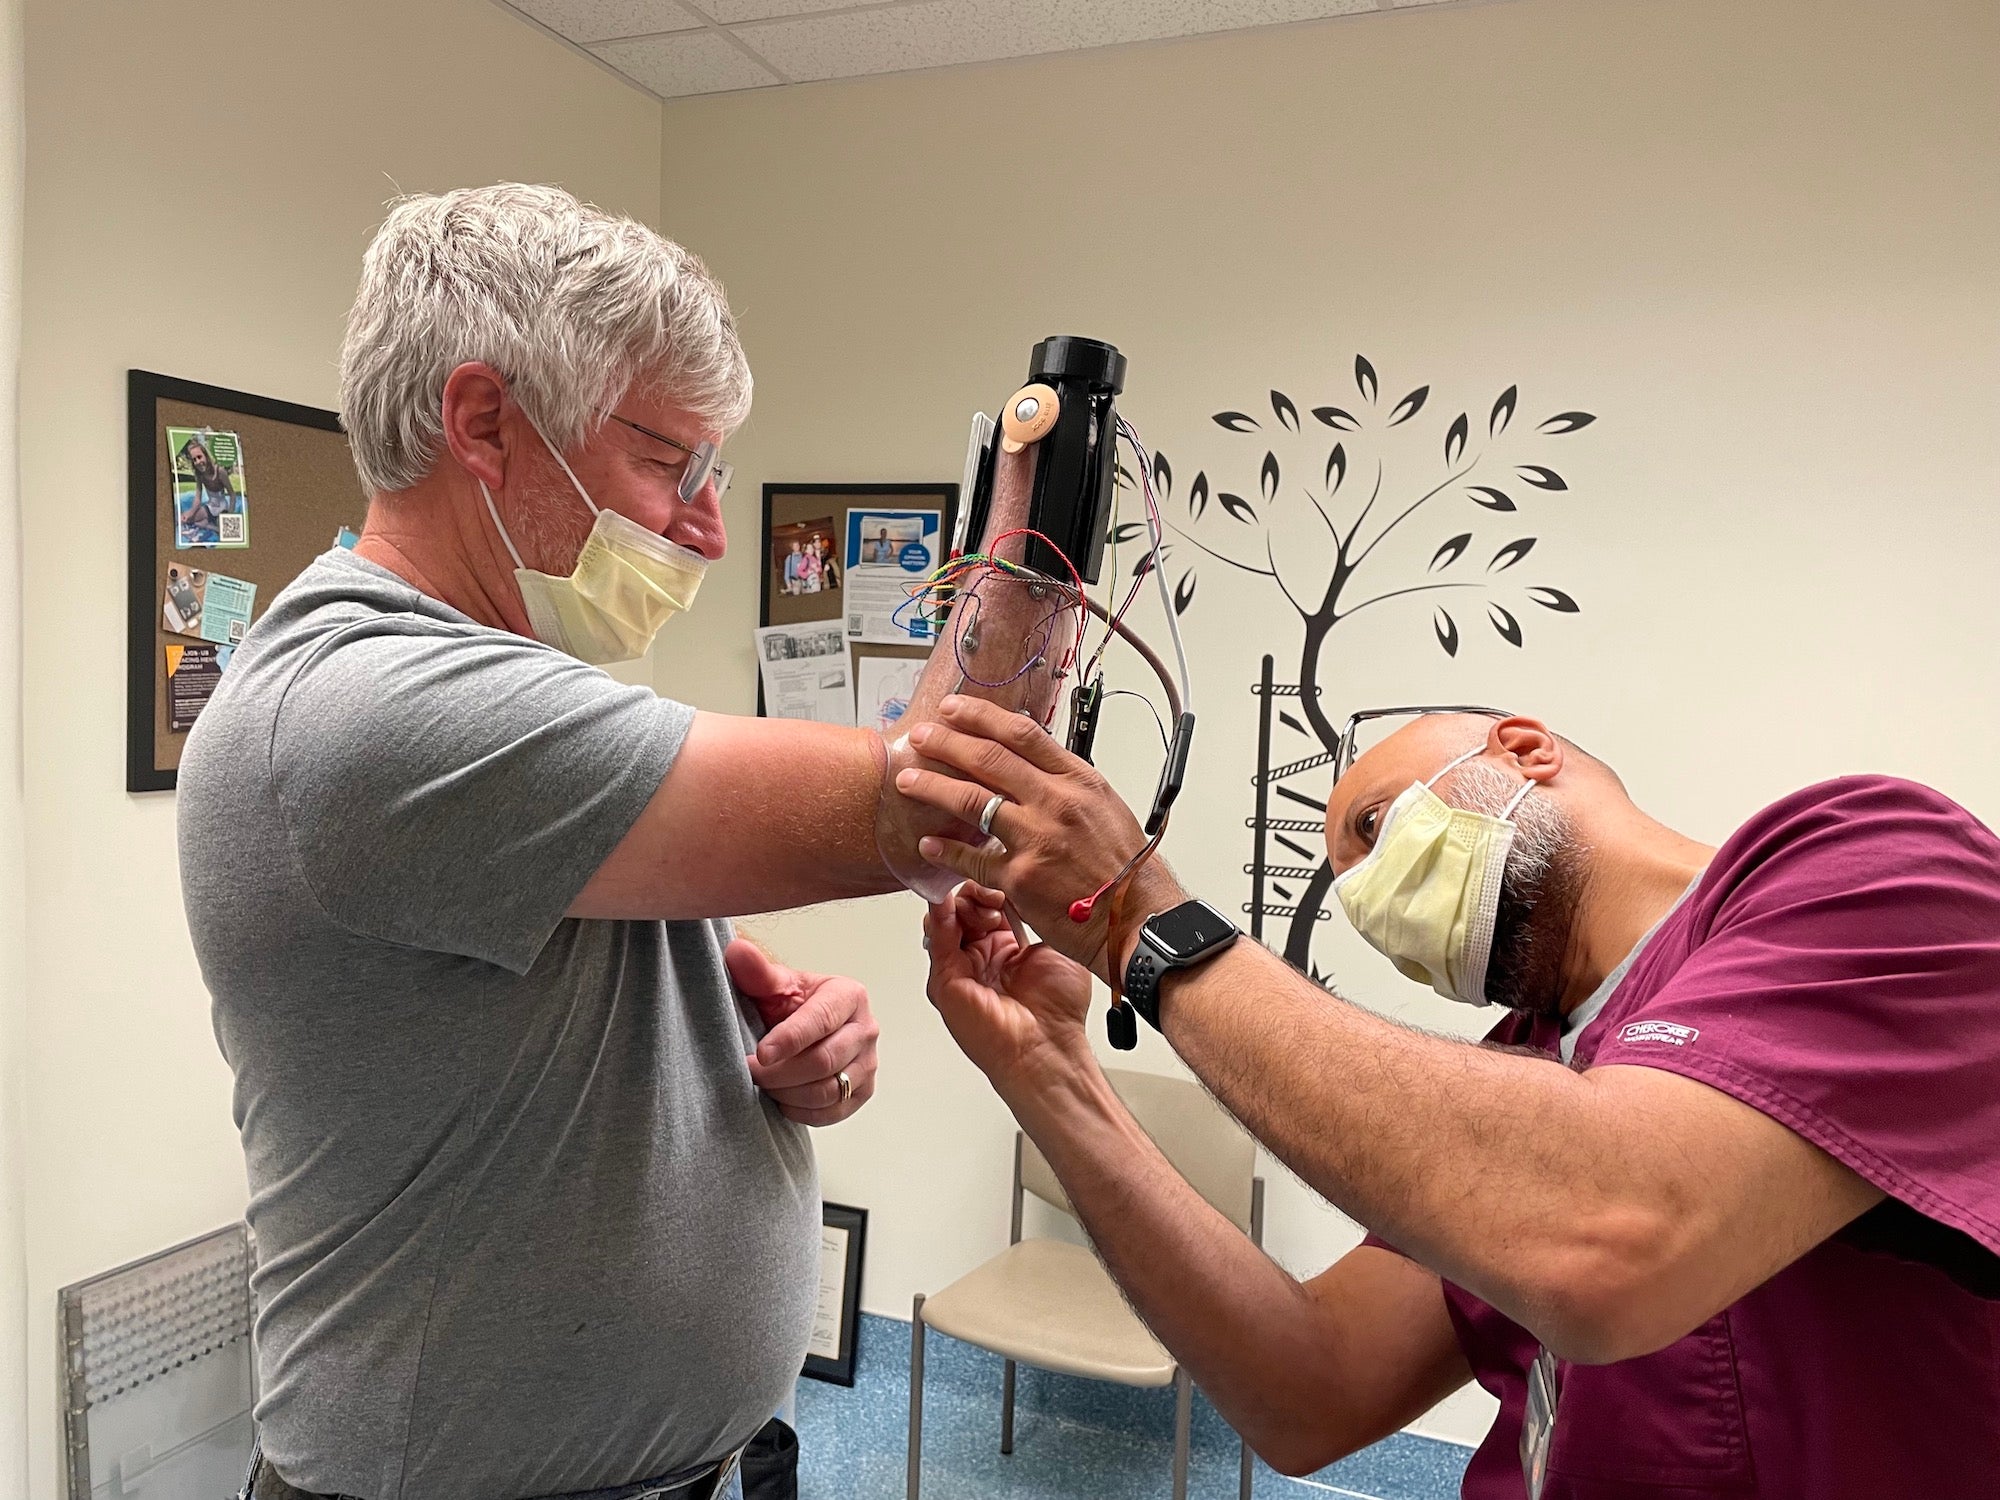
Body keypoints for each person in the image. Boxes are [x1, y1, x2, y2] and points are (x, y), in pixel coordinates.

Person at [176, 183, 981, 1500]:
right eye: (672, 465)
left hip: (697, 1460)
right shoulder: (367, 708)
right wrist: (1018, 523)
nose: (709, 529)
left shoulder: (516, 691)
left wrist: (769, 1042)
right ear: (486, 423)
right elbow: (931, 805)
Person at [902, 697, 2000, 1499]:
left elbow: (1608, 1236)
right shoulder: (1526, 1072)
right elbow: (1310, 1387)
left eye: (1375, 829)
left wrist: (1146, 925)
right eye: (1349, 894)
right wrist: (1049, 1074)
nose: (1376, 899)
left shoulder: (1860, 869)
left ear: (1522, 750)